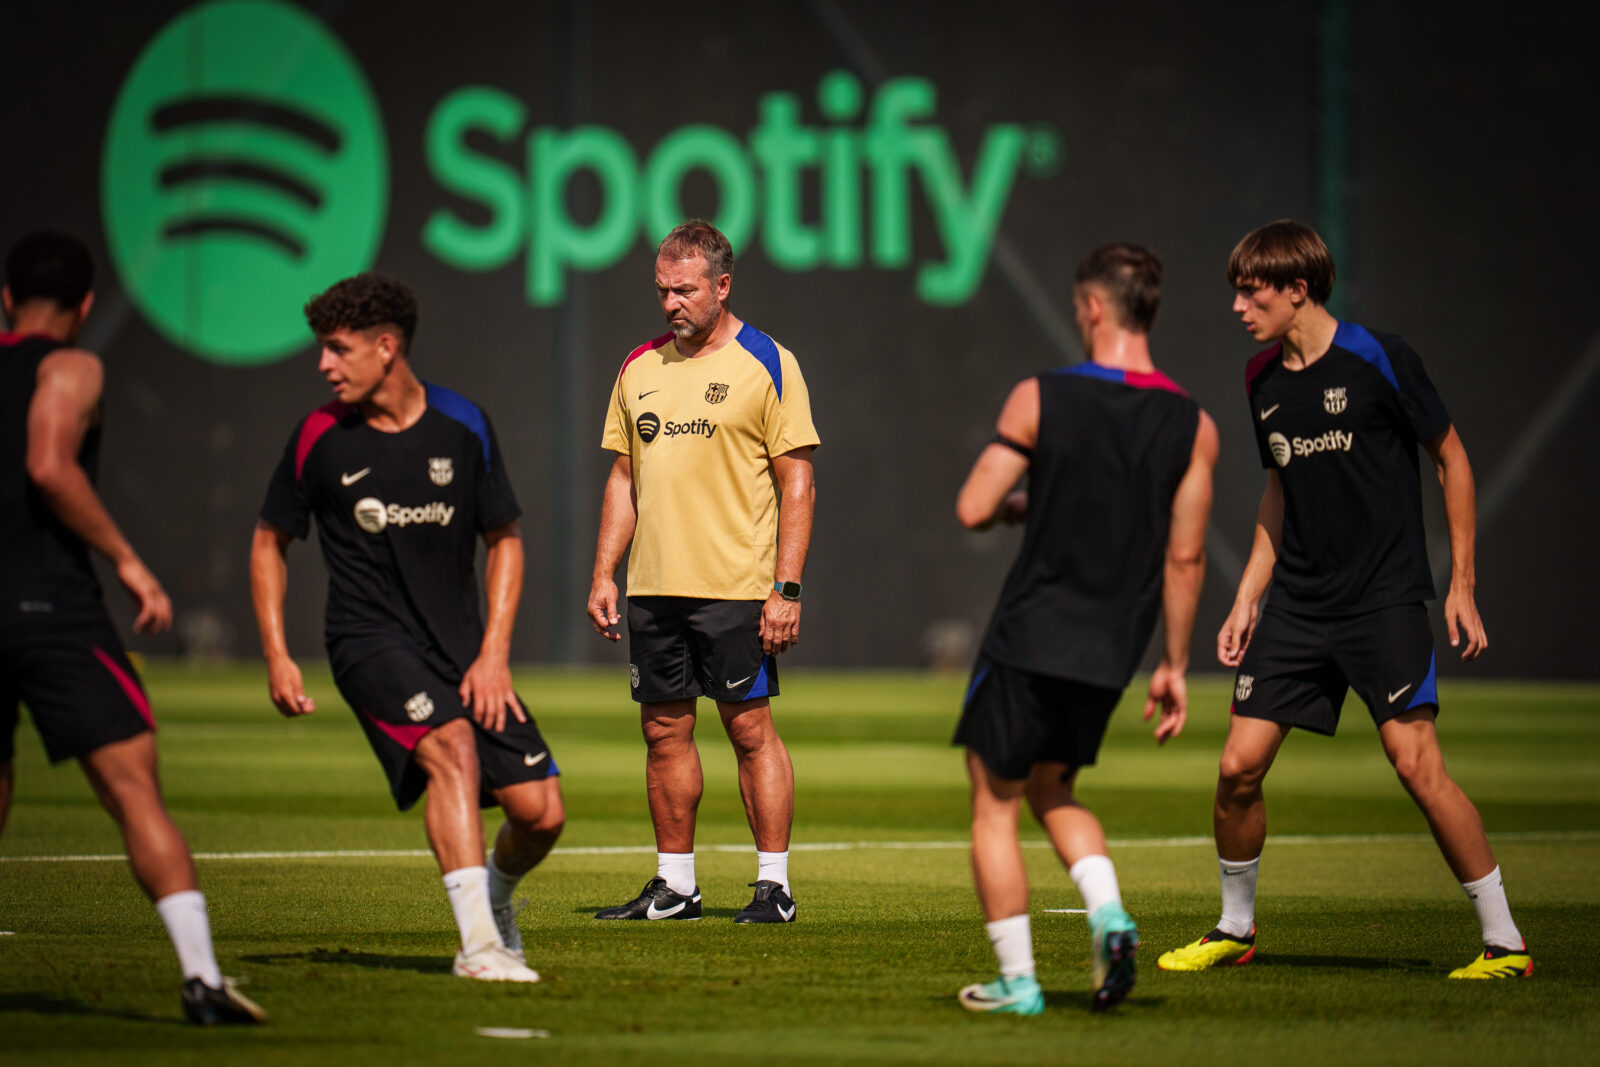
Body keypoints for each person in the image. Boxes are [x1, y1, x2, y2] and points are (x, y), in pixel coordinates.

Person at [1157, 219, 1528, 980]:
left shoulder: (1380, 358)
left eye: (1251, 291)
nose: (1236, 306)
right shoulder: (1261, 377)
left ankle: (1506, 943)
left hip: (1383, 600)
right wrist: (1246, 598)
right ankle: (1234, 926)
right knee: (1236, 768)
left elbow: (1452, 459)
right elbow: (1277, 495)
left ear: (1299, 289)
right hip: (1297, 605)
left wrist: (1462, 582)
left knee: (1414, 764)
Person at [250, 273, 563, 982]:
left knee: (540, 813)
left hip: (463, 651)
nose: (323, 365)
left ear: (386, 347)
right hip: (367, 643)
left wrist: (493, 656)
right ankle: (479, 948)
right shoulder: (318, 438)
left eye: (337, 349)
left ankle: (494, 898)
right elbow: (270, 539)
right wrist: (276, 653)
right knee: (451, 749)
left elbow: (505, 539)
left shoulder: (463, 424)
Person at [0, 231, 265, 1025]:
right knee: (133, 791)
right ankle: (201, 976)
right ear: (85, 307)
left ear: (9, 298)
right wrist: (127, 560)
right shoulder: (72, 365)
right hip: (51, 608)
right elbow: (49, 465)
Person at [951, 242, 1218, 1015]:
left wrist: (1014, 501)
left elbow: (974, 505)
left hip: (1032, 631)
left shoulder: (1040, 397)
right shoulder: (1193, 424)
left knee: (994, 804)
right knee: (1054, 786)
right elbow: (1186, 556)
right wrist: (1172, 663)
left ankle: (1019, 980)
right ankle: (1108, 915)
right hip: (1111, 646)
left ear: (1093, 308)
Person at [586, 219, 818, 924]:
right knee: (663, 732)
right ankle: (675, 885)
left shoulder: (768, 361)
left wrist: (786, 589)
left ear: (722, 285)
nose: (670, 304)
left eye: (684, 290)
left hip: (736, 590)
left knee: (749, 730)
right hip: (654, 589)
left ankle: (773, 886)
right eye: (662, 290)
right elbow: (624, 477)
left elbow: (797, 483)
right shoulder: (639, 367)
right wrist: (605, 572)